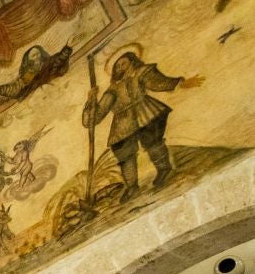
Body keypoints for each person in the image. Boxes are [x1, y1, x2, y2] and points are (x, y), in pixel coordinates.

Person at [83, 49, 199, 200]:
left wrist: (179, 82)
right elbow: (94, 117)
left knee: (153, 142)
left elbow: (157, 83)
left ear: (132, 62)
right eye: (116, 66)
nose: (119, 68)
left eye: (123, 63)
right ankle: (132, 187)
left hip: (145, 111)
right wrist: (90, 102)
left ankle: (164, 169)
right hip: (122, 123)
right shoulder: (112, 90)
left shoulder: (141, 73)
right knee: (124, 154)